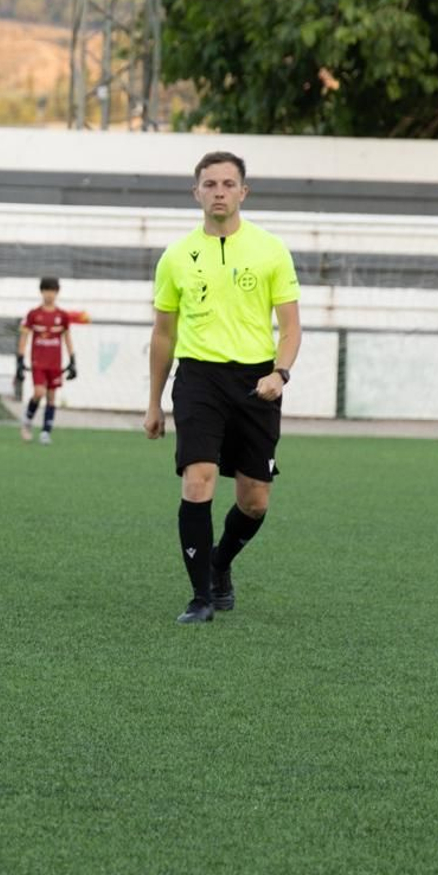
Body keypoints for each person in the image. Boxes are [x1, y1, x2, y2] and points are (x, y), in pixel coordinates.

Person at [144, 151, 302, 625]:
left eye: (228, 184)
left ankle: (219, 564)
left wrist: (280, 373)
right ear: (196, 192)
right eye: (209, 184)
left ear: (242, 192)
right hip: (198, 378)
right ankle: (200, 598)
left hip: (257, 382)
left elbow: (291, 328)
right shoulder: (175, 256)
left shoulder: (271, 250)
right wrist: (153, 403)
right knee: (199, 480)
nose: (219, 192)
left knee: (254, 500)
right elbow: (163, 334)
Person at [16, 277, 77, 445]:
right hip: (38, 362)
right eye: (46, 290)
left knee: (51, 397)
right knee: (38, 393)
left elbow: (67, 338)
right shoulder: (34, 315)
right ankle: (27, 422)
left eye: (52, 291)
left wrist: (73, 360)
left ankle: (45, 432)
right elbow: (24, 337)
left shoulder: (62, 316)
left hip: (55, 363)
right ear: (41, 292)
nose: (49, 294)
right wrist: (20, 360)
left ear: (57, 293)